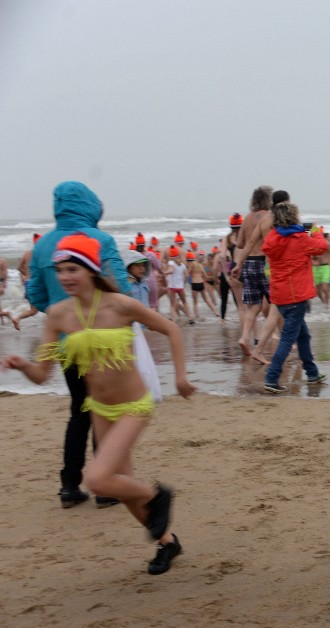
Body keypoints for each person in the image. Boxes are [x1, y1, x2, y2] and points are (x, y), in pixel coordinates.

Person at [3, 234, 196, 574]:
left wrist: (180, 377)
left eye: (72, 268)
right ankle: (168, 543)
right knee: (120, 487)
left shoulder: (120, 305)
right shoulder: (59, 315)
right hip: (99, 409)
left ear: (90, 270)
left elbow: (171, 330)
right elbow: (42, 375)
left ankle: (157, 494)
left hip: (134, 406)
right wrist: (23, 366)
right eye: (60, 270)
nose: (64, 277)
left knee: (97, 479)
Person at [26, 181, 131, 509]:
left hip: (66, 343)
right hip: (104, 343)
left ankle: (70, 486)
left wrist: (62, 317)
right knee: (107, 409)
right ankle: (106, 486)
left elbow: (36, 294)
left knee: (79, 411)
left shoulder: (43, 246)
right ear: (90, 205)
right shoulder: (99, 240)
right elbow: (122, 288)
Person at [261, 202, 328, 393]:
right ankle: (271, 378)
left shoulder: (272, 238)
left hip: (280, 295)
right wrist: (315, 230)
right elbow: (321, 246)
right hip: (296, 297)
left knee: (303, 335)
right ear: (294, 217)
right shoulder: (300, 239)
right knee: (287, 340)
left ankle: (312, 372)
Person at [230, 186, 275, 357]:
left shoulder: (247, 218)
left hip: (248, 263)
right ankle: (282, 339)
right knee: (277, 303)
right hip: (265, 263)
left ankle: (244, 337)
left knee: (253, 306)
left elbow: (240, 244)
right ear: (268, 200)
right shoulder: (269, 217)